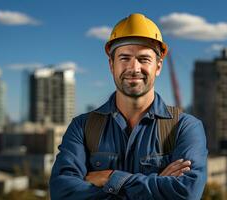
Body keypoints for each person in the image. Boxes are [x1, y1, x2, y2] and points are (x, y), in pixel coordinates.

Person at [50, 13, 208, 200]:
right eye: (125, 58)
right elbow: (62, 193)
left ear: (158, 66)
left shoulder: (185, 128)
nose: (134, 68)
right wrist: (158, 184)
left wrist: (110, 177)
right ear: (111, 65)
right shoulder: (82, 128)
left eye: (144, 59)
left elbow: (186, 193)